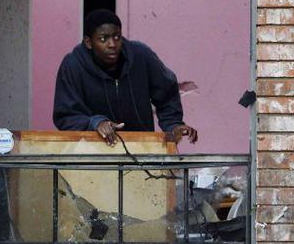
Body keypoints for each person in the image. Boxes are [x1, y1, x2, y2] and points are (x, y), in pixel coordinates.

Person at [52, 9, 199, 147]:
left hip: (141, 149)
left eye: (117, 37)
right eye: (103, 39)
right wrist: (95, 123)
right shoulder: (73, 65)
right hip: (94, 151)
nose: (112, 44)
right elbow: (65, 116)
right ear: (88, 42)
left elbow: (167, 93)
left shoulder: (141, 55)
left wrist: (173, 125)